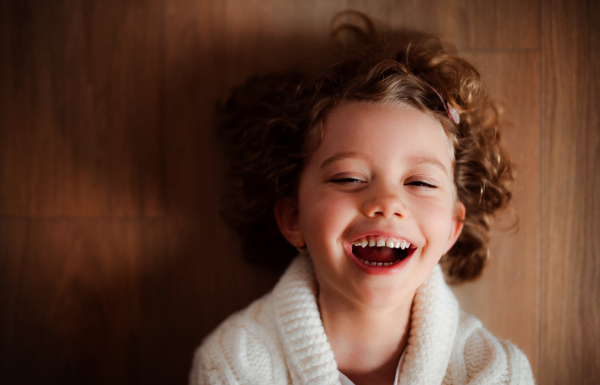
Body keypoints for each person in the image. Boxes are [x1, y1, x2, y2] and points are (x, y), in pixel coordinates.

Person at [189, 20, 534, 385]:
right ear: (293, 217)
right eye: (349, 178)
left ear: (452, 227)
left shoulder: (497, 373)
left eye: (419, 182)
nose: (386, 202)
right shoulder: (233, 367)